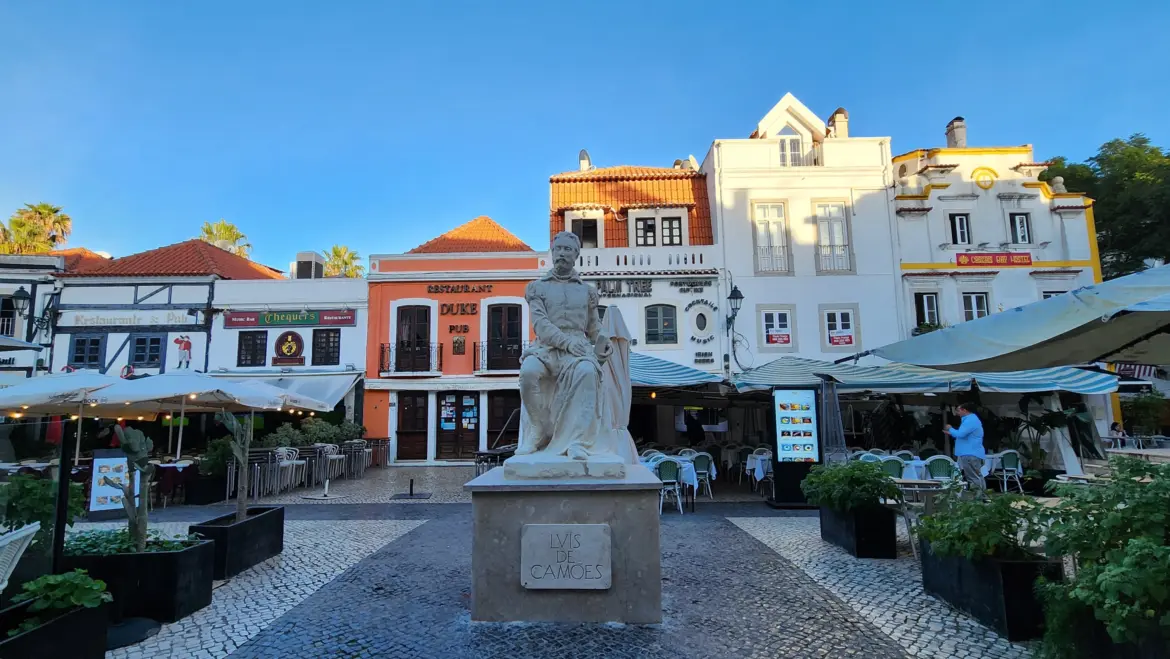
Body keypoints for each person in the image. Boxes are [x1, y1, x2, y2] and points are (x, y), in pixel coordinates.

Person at [516, 231, 613, 460]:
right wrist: (567, 343)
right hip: (546, 348)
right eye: (558, 248)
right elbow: (541, 325)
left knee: (588, 372)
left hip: (577, 349)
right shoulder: (537, 288)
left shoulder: (587, 291)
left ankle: (578, 441)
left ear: (577, 254)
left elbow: (592, 326)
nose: (561, 253)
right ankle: (538, 431)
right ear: (552, 252)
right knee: (528, 373)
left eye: (567, 249)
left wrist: (602, 340)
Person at [944, 403, 986, 497]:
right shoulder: (971, 420)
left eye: (958, 410)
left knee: (973, 477)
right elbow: (964, 435)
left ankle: (978, 498)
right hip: (972, 453)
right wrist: (952, 433)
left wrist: (950, 429)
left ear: (965, 410)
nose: (957, 413)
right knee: (977, 476)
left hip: (970, 453)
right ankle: (982, 497)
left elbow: (960, 434)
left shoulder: (970, 420)